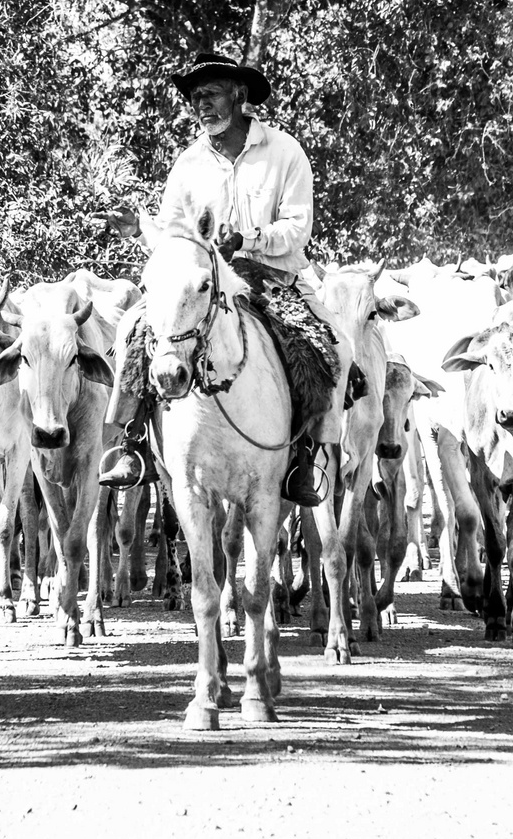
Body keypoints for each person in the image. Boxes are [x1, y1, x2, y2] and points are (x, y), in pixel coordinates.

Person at [95, 53, 354, 507]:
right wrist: (138, 228)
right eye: (195, 98)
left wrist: (248, 240)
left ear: (239, 95)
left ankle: (309, 452)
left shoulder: (284, 151)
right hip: (202, 281)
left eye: (210, 94)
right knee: (131, 329)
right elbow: (173, 237)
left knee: (334, 343)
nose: (201, 105)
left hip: (271, 277)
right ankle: (133, 440)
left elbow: (298, 227)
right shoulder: (188, 163)